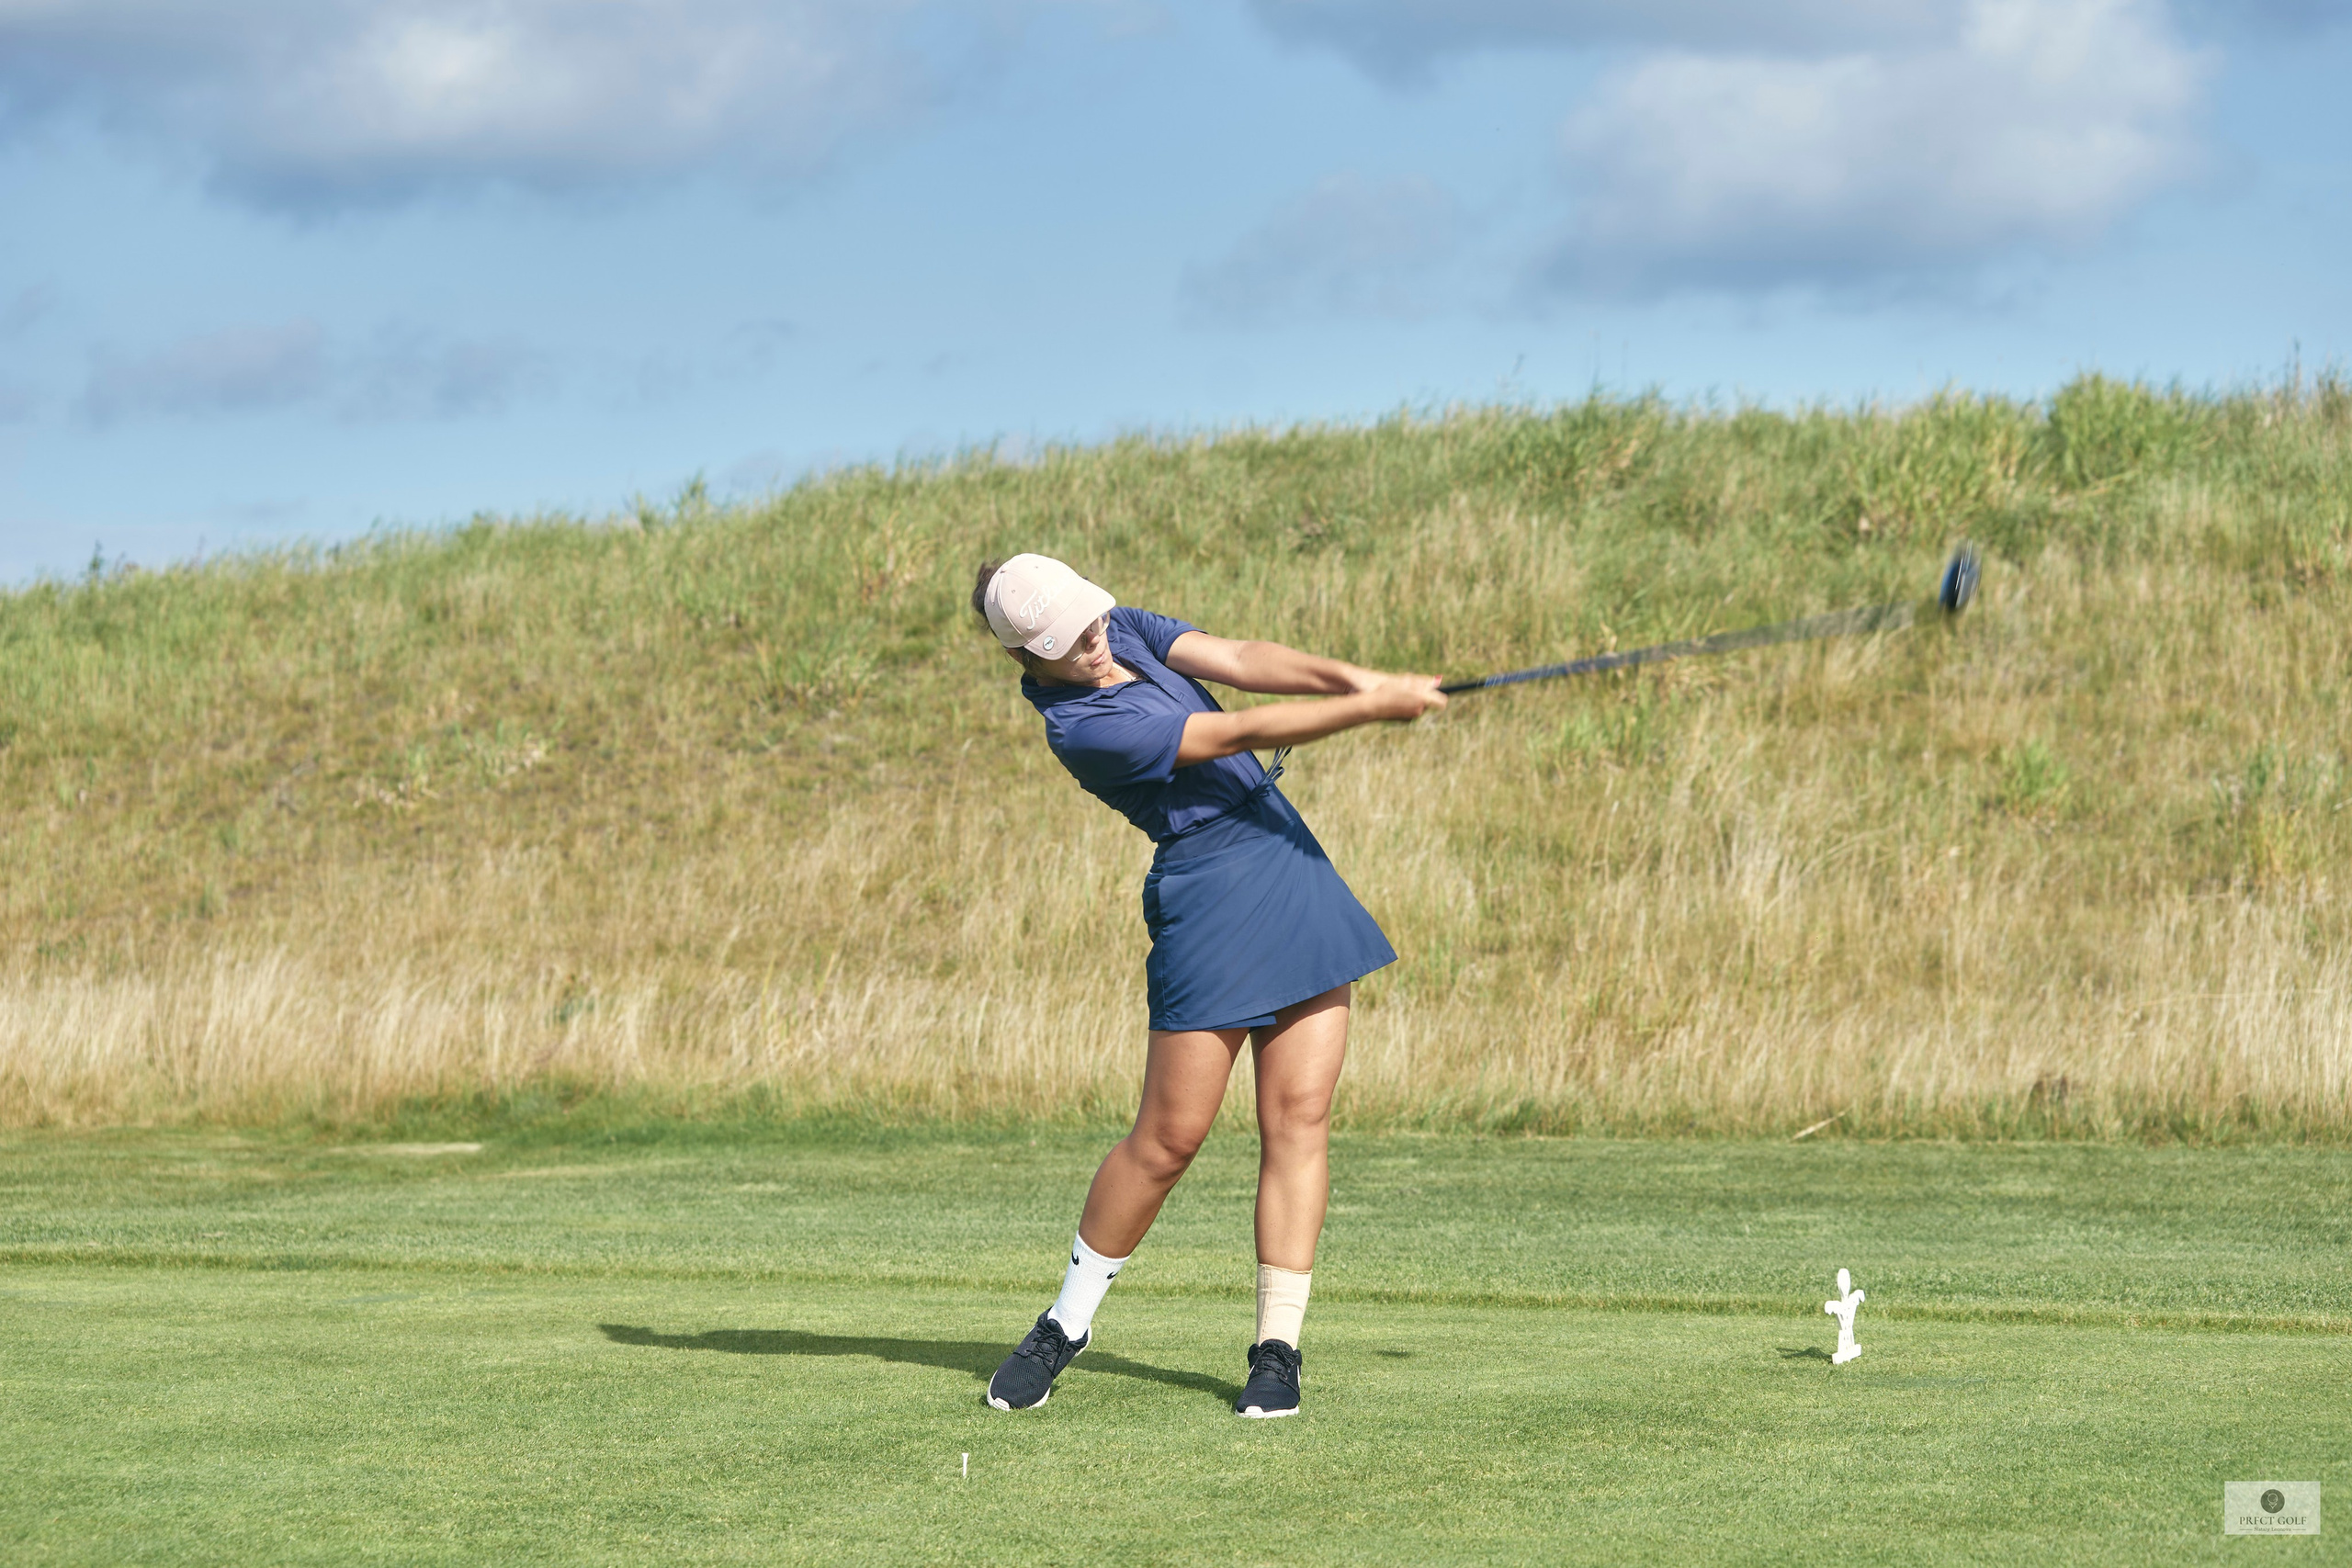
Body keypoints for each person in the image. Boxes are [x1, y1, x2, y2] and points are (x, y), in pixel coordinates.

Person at [972, 553, 1445, 1419]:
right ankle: (1063, 1324)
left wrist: (1355, 675)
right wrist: (1368, 708)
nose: (1094, 642)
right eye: (1068, 642)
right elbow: (1225, 735)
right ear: (1025, 660)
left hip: (1287, 864)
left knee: (1298, 1116)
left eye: (1091, 621)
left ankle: (1277, 1352)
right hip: (1205, 887)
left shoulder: (1124, 628)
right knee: (1169, 1138)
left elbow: (1239, 658)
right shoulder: (1079, 728)